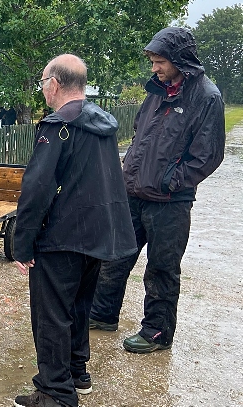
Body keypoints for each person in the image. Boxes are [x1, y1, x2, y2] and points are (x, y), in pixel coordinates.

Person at [89, 27, 225, 353]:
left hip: (170, 202)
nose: (154, 68)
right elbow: (139, 136)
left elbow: (208, 156)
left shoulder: (207, 97)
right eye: (152, 61)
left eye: (160, 61)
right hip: (133, 193)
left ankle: (157, 333)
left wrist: (170, 181)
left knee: (161, 269)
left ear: (180, 59)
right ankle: (102, 314)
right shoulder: (156, 91)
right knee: (114, 257)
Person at [11, 54, 137, 407]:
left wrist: (22, 246)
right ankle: (77, 373)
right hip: (98, 236)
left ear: (54, 83)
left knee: (51, 315)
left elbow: (36, 190)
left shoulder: (57, 126)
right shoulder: (103, 124)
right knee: (80, 306)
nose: (42, 91)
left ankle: (55, 393)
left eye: (42, 84)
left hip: (62, 238)